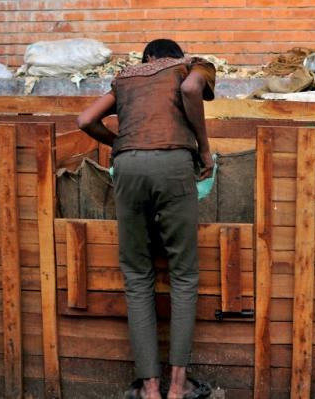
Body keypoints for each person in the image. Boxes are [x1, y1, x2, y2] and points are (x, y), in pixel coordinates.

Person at [77, 39, 216, 399]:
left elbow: (85, 120)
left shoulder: (126, 77)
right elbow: (189, 90)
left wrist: (120, 142)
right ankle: (177, 387)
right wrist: (204, 149)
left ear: (148, 59)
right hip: (173, 163)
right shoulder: (192, 65)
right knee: (183, 274)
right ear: (174, 56)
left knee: (137, 276)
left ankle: (150, 388)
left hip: (127, 168)